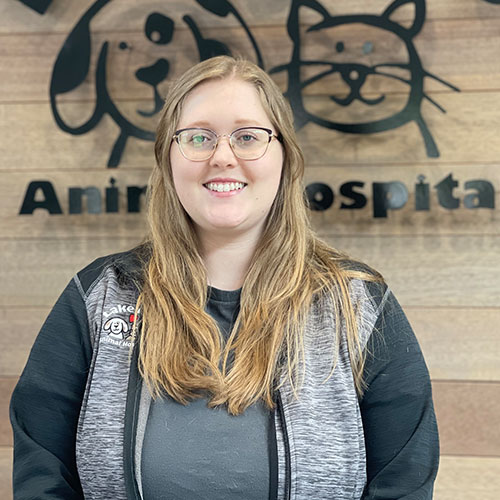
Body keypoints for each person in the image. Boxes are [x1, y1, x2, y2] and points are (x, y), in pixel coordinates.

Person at [10, 56, 439, 499]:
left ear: (285, 156)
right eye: (198, 137)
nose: (222, 157)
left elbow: (404, 481)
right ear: (168, 159)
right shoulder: (101, 294)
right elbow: (42, 472)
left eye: (247, 137)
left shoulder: (358, 303)